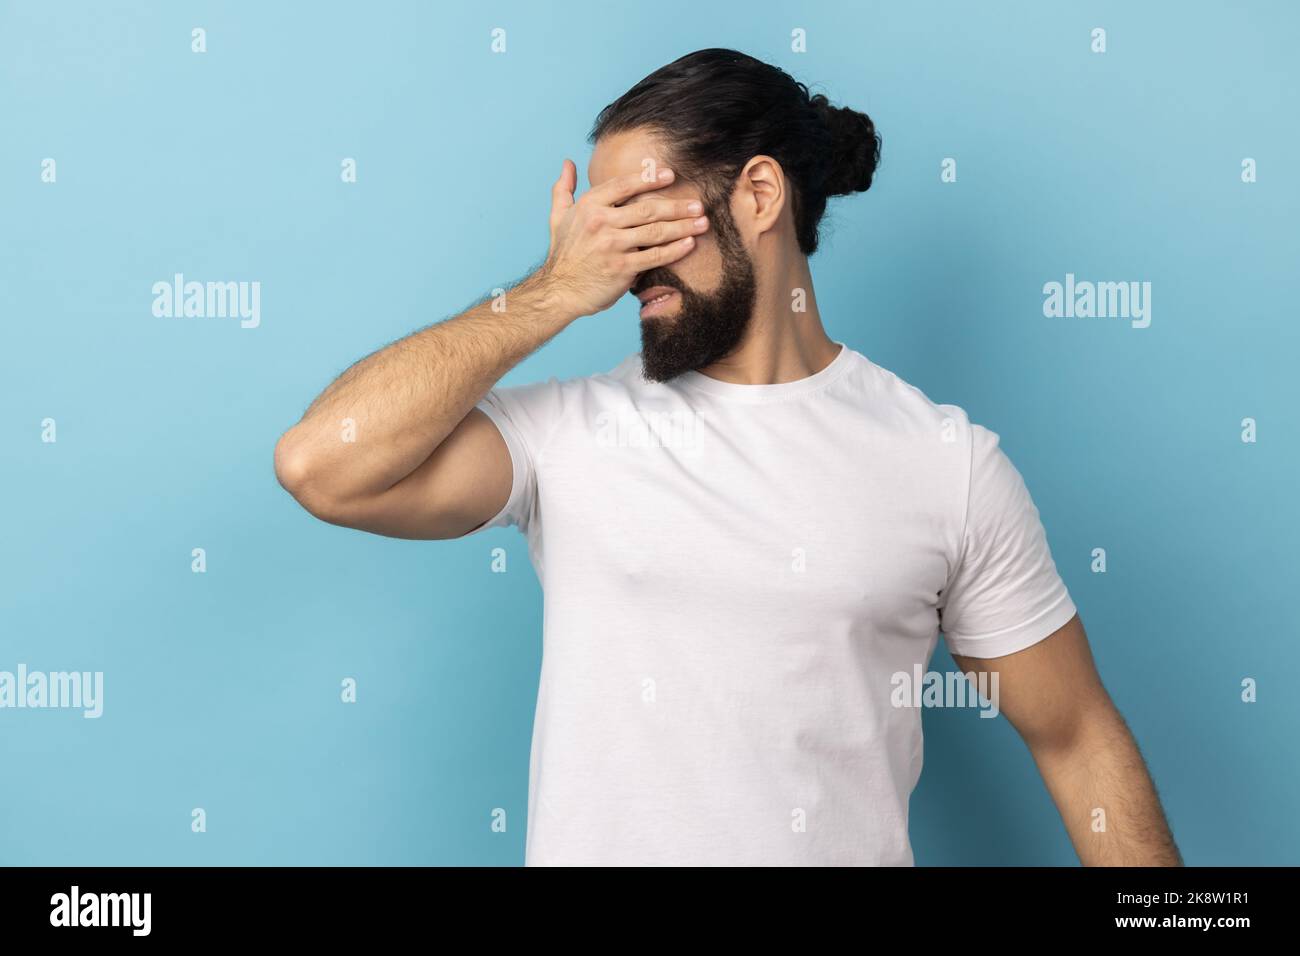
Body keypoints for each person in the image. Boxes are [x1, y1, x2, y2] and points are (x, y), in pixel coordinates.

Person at [274, 49, 1181, 866]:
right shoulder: (566, 435)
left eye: (639, 217)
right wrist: (549, 293)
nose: (619, 260)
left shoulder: (946, 463)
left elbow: (1076, 737)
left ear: (757, 195)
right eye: (599, 226)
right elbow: (321, 465)